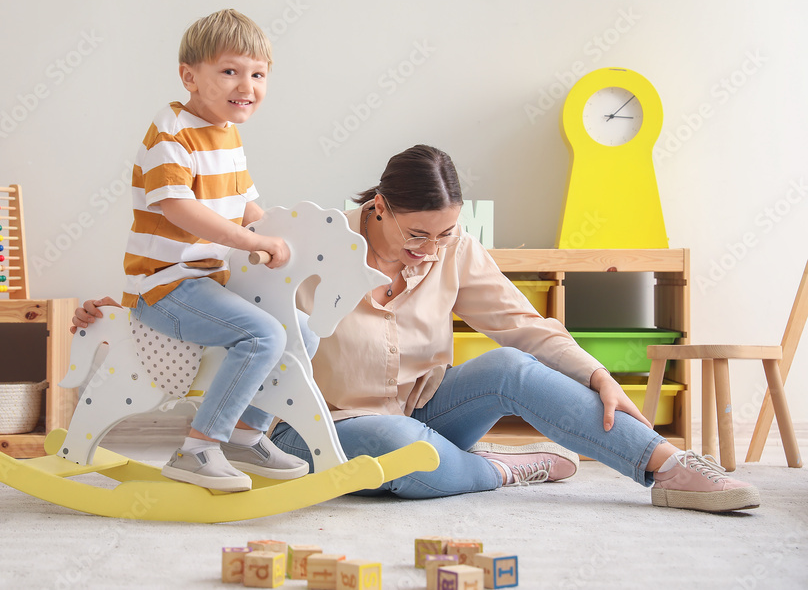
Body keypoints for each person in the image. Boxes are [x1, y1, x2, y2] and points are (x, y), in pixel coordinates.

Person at [74, 144, 759, 513]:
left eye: (447, 232)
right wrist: (132, 305)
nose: (430, 248)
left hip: (429, 408)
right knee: (395, 442)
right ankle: (498, 469)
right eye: (417, 233)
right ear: (379, 207)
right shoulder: (305, 243)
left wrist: (596, 373)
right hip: (317, 427)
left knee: (515, 369)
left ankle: (669, 469)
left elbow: (523, 325)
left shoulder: (455, 249)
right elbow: (206, 285)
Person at [93, 8, 311, 493]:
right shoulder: (171, 130)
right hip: (166, 285)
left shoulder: (228, 134)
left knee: (304, 335)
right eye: (230, 71)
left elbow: (245, 205)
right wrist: (252, 242)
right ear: (190, 77)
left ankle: (246, 433)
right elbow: (177, 208)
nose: (246, 85)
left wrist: (284, 237)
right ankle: (196, 449)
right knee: (263, 336)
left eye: (258, 74)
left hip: (210, 281)